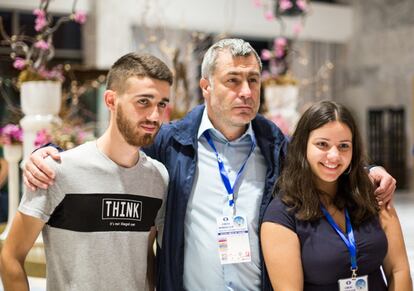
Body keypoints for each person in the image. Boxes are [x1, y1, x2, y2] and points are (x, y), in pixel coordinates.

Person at [22, 39, 397, 290]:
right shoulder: (170, 141)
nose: (246, 92)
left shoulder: (275, 144)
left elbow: (322, 160)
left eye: (253, 80)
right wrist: (46, 152)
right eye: (232, 80)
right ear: (206, 87)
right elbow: (117, 150)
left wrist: (368, 172)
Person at [0, 53, 173, 291]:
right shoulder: (56, 170)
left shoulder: (158, 178)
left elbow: (145, 260)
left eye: (161, 104)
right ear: (111, 101)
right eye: (144, 101)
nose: (154, 116)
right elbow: (10, 257)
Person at [261, 100, 412, 290]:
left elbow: (399, 270)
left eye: (343, 146)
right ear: (303, 146)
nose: (334, 156)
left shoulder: (373, 193)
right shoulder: (281, 214)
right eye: (322, 144)